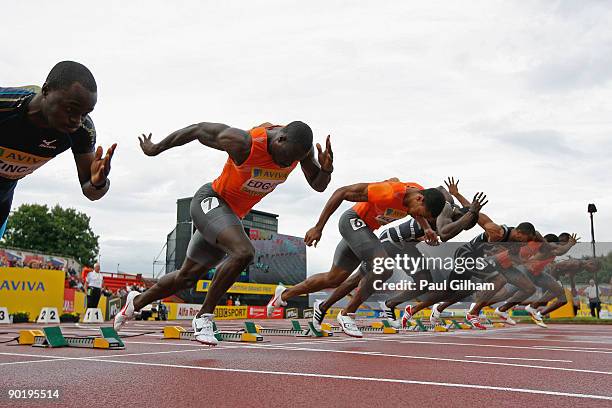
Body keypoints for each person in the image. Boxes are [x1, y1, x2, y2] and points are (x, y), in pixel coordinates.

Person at [114, 121, 333, 345]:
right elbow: (198, 130)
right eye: (283, 158)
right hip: (211, 201)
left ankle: (136, 302)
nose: (284, 164)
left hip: (230, 216)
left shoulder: (300, 152)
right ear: (280, 139)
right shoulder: (245, 143)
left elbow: (318, 185)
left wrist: (326, 170)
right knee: (244, 252)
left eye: (291, 162)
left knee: (187, 277)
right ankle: (203, 317)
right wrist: (156, 148)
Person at [268, 178, 446, 337]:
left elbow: (415, 212)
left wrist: (427, 228)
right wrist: (318, 227)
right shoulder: (388, 192)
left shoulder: (417, 194)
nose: (419, 218)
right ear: (419, 199)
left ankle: (284, 294)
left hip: (366, 231)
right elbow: (342, 192)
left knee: (334, 278)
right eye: (422, 215)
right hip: (353, 221)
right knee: (383, 268)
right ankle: (347, 314)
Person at [0, 61, 116, 238]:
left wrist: (98, 182)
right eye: (71, 109)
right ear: (46, 91)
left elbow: (90, 192)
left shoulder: (82, 132)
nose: (76, 120)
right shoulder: (6, 106)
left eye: (85, 113)